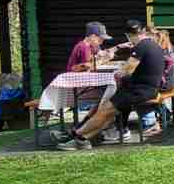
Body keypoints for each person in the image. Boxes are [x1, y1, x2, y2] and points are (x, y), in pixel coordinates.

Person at [55, 20, 165, 150]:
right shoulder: (153, 45)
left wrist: (120, 71)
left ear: (128, 35)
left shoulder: (141, 47)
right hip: (147, 89)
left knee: (103, 110)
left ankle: (76, 136)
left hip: (139, 91)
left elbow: (126, 71)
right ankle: (81, 138)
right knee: (106, 112)